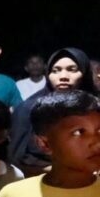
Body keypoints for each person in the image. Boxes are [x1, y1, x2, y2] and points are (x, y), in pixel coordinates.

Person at [9, 47, 97, 176]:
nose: (63, 77)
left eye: (72, 70)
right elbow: (17, 157)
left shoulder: (95, 107)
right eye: (55, 71)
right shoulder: (29, 108)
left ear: (85, 72)